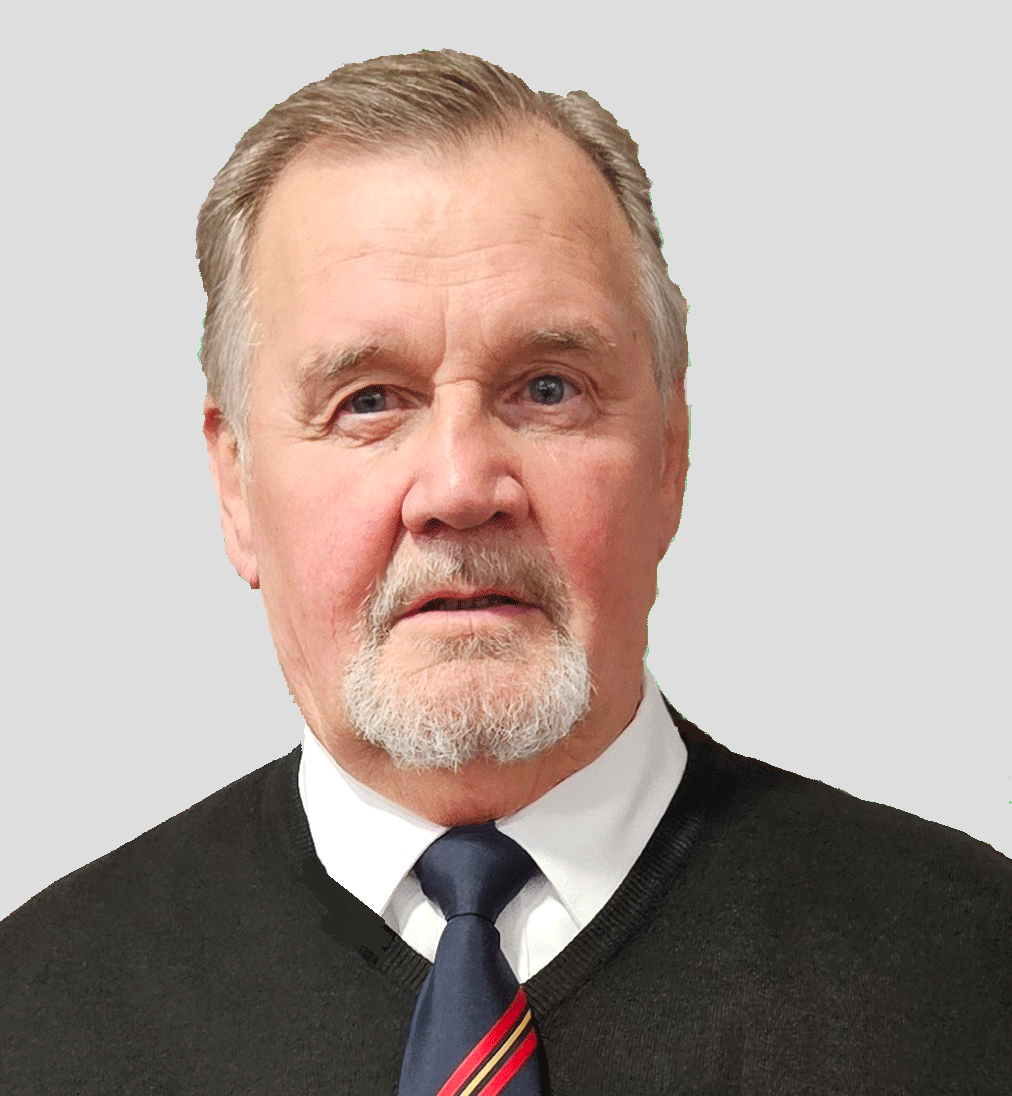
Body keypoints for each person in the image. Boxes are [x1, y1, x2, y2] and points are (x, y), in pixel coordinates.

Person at [3, 49, 1009, 1094]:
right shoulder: (33, 1017)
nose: (460, 486)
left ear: (670, 456)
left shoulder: (975, 976)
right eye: (367, 401)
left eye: (547, 389)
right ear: (235, 484)